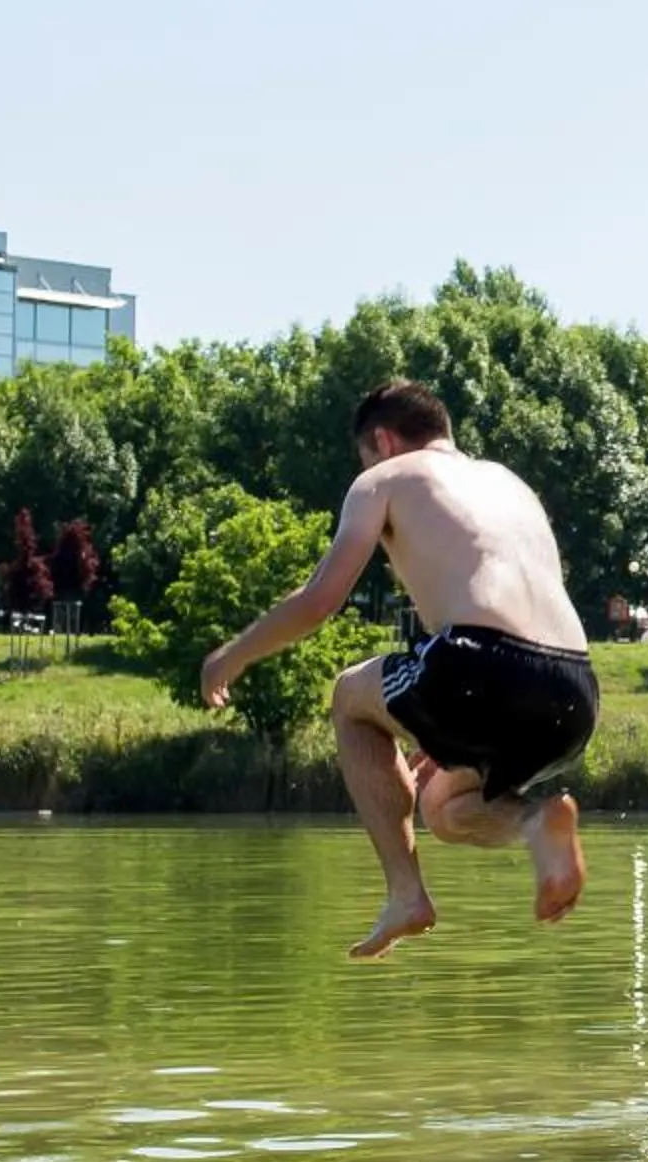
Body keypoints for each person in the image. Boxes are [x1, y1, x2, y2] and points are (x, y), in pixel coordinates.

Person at [199, 382, 598, 958]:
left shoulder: (385, 479)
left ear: (382, 441)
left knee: (349, 698)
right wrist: (447, 730)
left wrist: (232, 655)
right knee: (443, 809)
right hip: (575, 694)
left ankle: (406, 894)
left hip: (482, 666)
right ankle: (538, 826)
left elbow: (319, 600)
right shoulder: (512, 486)